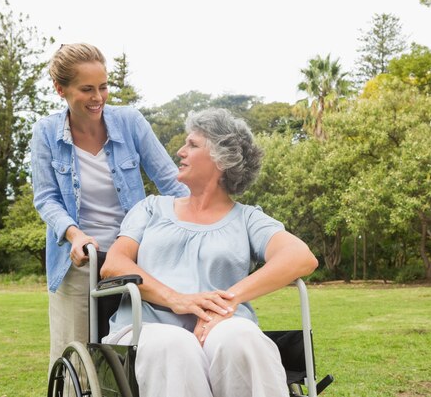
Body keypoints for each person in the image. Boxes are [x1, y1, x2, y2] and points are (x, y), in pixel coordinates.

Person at [100, 107, 319, 397]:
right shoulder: (151, 209)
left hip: (221, 326)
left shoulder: (248, 219)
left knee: (242, 338)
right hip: (146, 328)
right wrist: (178, 300)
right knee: (177, 346)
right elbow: (113, 264)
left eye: (192, 144)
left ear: (221, 159)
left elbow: (301, 256)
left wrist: (227, 303)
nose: (180, 151)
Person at [30, 43, 189, 369]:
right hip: (77, 261)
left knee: (142, 350)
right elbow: (46, 198)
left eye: (103, 87)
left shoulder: (129, 122)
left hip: (135, 256)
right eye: (86, 89)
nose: (98, 97)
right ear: (61, 89)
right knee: (74, 357)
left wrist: (196, 224)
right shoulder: (45, 133)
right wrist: (75, 235)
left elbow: (172, 183)